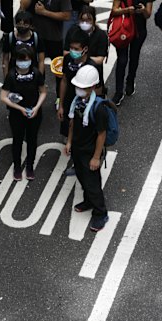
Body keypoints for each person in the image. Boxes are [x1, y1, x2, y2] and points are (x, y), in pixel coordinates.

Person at [64, 65, 109, 232]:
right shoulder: (77, 102)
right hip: (77, 148)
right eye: (78, 86)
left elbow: (101, 134)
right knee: (82, 178)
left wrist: (96, 157)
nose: (79, 89)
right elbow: (72, 123)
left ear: (92, 87)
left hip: (89, 152)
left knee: (92, 184)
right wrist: (69, 142)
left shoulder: (99, 108)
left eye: (83, 87)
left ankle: (100, 213)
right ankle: (88, 201)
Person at [0, 45, 47, 181]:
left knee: (32, 140)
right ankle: (17, 167)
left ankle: (30, 166)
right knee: (17, 140)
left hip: (34, 112)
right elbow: (3, 97)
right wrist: (20, 109)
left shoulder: (36, 74)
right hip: (17, 114)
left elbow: (43, 91)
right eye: (20, 59)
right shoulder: (11, 75)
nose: (23, 63)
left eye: (26, 59)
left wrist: (36, 108)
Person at [20, 0, 72, 106]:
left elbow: (67, 15)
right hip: (35, 36)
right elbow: (22, 6)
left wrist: (44, 12)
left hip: (55, 38)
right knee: (34, 67)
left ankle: (60, 98)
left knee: (59, 70)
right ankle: (36, 95)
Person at [57, 30, 99, 139]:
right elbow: (64, 80)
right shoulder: (67, 59)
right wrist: (61, 105)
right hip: (69, 100)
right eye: (71, 48)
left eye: (76, 49)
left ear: (85, 49)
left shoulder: (92, 67)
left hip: (84, 105)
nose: (72, 51)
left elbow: (98, 89)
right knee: (68, 129)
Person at [110, 0, 152, 105]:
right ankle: (119, 92)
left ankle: (130, 80)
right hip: (123, 29)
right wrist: (127, 10)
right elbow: (114, 11)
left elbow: (148, 14)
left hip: (139, 30)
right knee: (122, 60)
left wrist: (143, 10)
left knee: (134, 57)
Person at [63, 5, 108, 96]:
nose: (84, 23)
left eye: (88, 20)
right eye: (82, 20)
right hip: (73, 72)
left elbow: (100, 59)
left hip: (93, 74)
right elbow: (65, 52)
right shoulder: (72, 31)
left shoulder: (101, 35)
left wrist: (83, 59)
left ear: (94, 20)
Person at [2, 10, 46, 77]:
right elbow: (5, 59)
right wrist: (6, 78)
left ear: (31, 25)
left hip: (33, 75)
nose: (21, 26)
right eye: (19, 23)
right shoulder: (10, 37)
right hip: (14, 75)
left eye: (25, 24)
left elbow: (41, 60)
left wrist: (39, 79)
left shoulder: (37, 38)